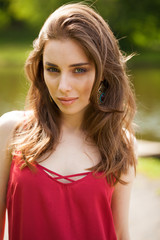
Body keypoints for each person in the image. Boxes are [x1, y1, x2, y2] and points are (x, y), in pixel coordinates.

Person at [0, 2, 137, 240]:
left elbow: (120, 232)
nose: (63, 87)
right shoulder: (11, 130)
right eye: (53, 69)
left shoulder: (120, 143)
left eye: (79, 70)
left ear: (103, 72)